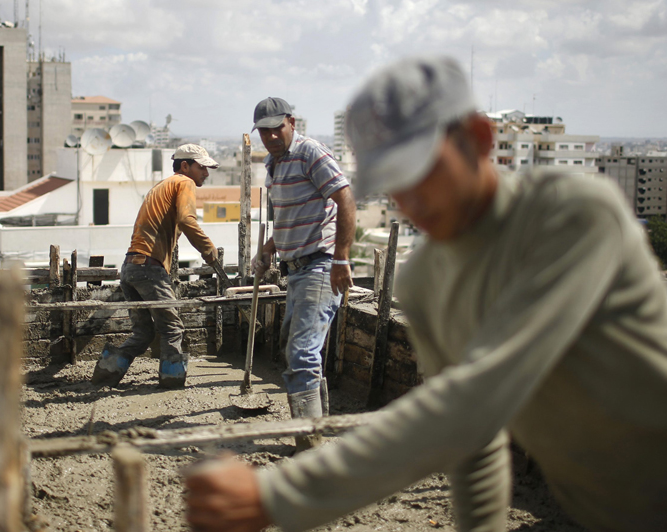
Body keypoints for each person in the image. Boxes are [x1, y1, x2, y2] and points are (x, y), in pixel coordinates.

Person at [185, 56, 667, 532]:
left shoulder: (572, 217)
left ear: (478, 138)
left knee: (303, 354)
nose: (410, 200)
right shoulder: (428, 282)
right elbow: (471, 440)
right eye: (393, 183)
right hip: (602, 511)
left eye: (422, 170)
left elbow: (475, 395)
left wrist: (280, 498)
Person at [250, 97, 356, 451]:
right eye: (263, 131)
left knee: (302, 354)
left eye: (276, 128)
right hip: (295, 269)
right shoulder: (274, 164)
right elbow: (286, 218)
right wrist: (268, 248)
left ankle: (310, 443)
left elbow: (345, 198)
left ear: (291, 123)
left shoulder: (310, 152)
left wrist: (341, 258)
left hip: (320, 264)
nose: (270, 136)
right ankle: (317, 429)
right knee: (293, 348)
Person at [91, 144, 220, 390]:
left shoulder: (161, 186)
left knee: (143, 334)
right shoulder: (184, 183)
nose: (206, 173)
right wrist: (208, 249)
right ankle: (172, 383)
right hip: (149, 268)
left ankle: (104, 377)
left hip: (131, 267)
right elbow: (187, 219)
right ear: (185, 166)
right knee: (172, 328)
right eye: (202, 167)